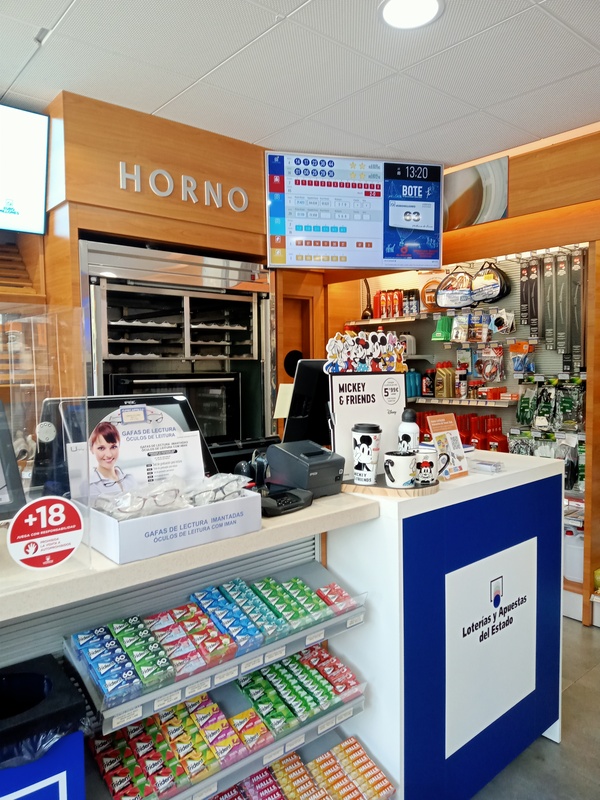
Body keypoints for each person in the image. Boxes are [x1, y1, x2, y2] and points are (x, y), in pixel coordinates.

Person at [89, 421, 136, 498]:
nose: (109, 455)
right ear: (91, 449)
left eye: (113, 447)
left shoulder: (130, 479)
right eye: (101, 448)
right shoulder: (91, 487)